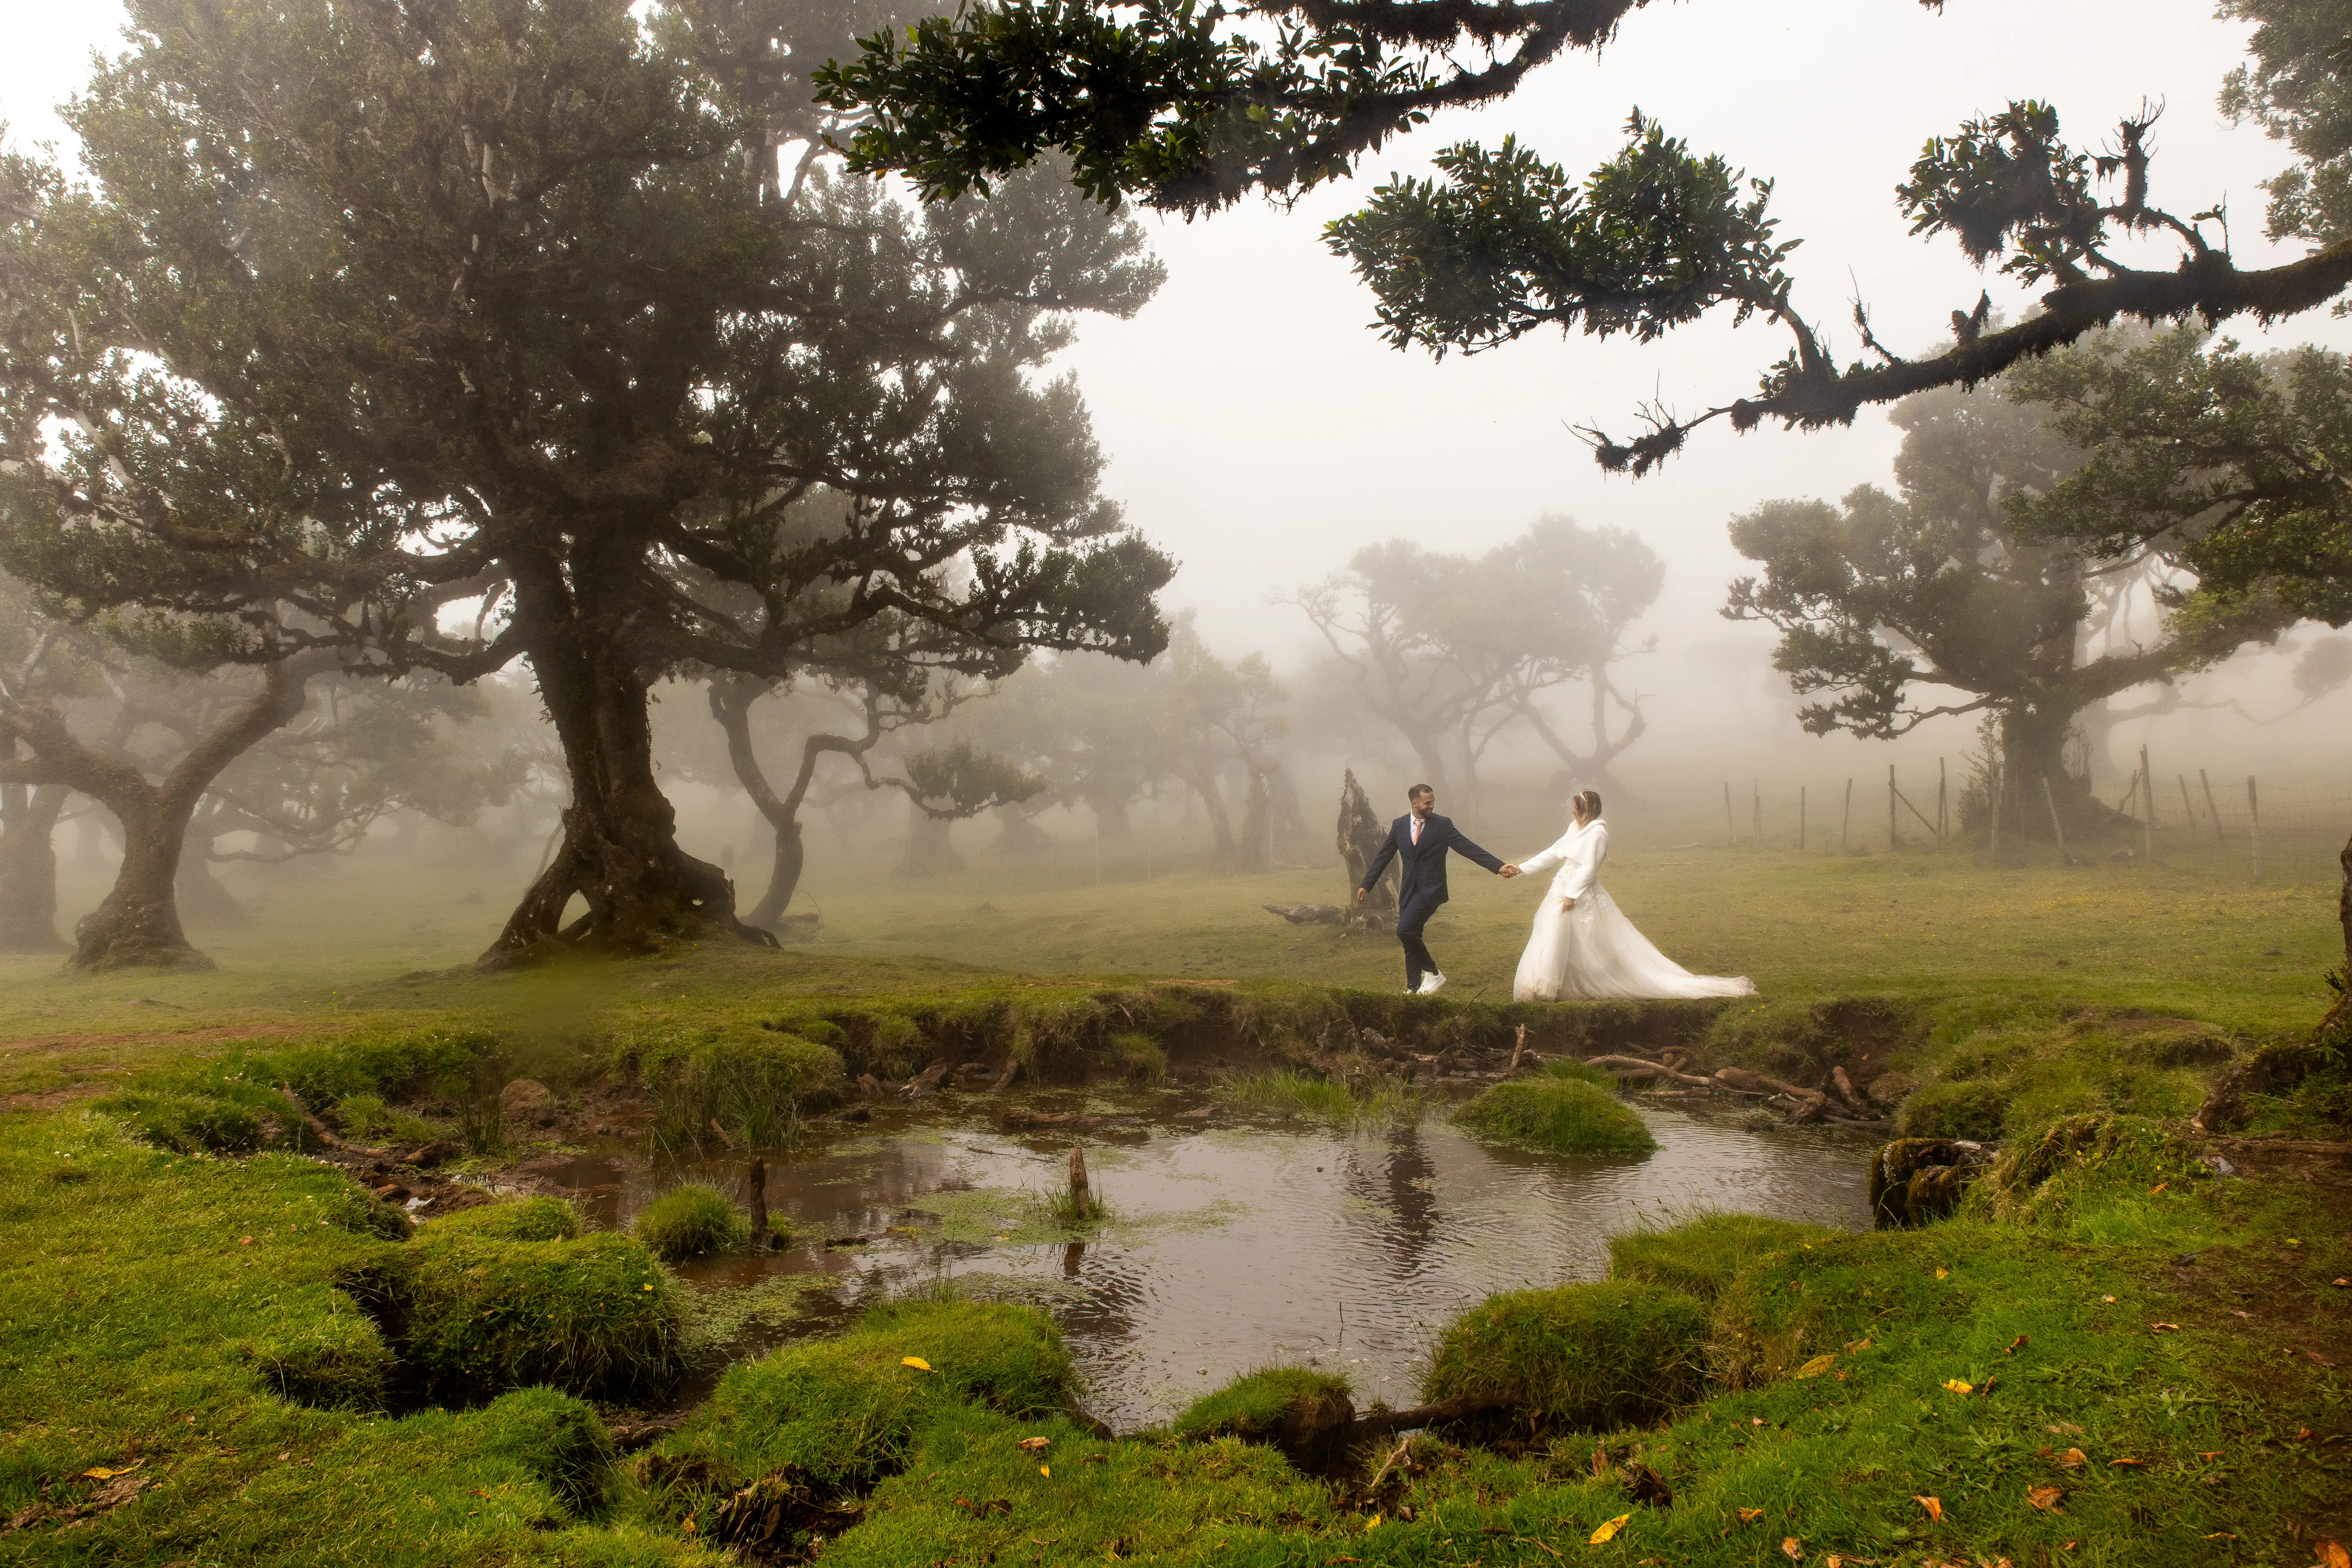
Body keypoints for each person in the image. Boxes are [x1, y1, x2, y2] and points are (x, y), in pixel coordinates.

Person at [1510, 790, 1755, 1002]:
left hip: (1578, 891)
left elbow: (1591, 867)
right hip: (1561, 885)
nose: (1572, 813)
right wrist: (1522, 868)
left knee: (1582, 936)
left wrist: (1572, 895)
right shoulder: (1574, 829)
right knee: (1553, 931)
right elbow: (1554, 852)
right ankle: (1550, 984)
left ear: (1586, 809)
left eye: (1576, 809)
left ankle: (1583, 980)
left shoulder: (1598, 834)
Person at [1355, 784, 1519, 995]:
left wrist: (1497, 866)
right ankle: (1413, 990)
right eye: (1428, 803)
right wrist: (1366, 884)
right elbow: (1384, 856)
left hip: (1431, 890)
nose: (1432, 806)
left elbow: (1467, 847)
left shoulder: (1442, 825)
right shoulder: (1399, 826)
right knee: (1410, 938)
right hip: (1408, 891)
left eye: (1433, 802)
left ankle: (1433, 973)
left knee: (1404, 931)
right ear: (1414, 803)